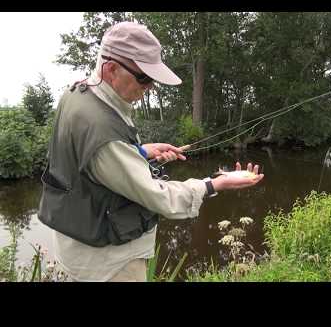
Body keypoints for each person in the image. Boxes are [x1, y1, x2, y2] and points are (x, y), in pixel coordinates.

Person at [38, 21, 264, 282]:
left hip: (79, 251)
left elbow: (88, 161)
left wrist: (140, 152)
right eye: (144, 78)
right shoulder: (103, 132)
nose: (150, 88)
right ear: (111, 69)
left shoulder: (78, 93)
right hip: (109, 265)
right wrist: (215, 184)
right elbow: (158, 197)